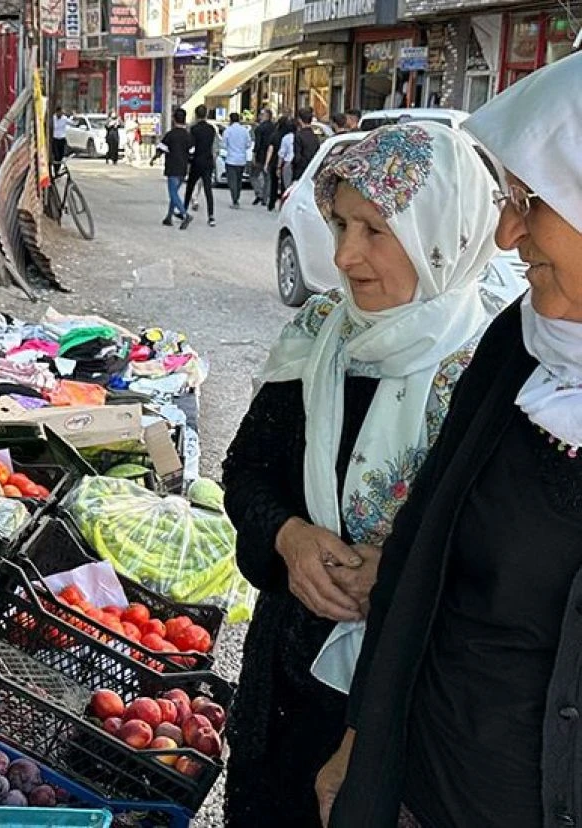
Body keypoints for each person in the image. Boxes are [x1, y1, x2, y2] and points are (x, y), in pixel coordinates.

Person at [316, 51, 582, 828]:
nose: (507, 235)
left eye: (532, 201)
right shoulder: (518, 347)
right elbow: (419, 561)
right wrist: (361, 743)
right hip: (426, 793)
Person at [223, 121, 502, 828]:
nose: (345, 256)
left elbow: (508, 565)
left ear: (444, 231)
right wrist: (287, 537)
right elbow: (246, 470)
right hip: (281, 688)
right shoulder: (320, 333)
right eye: (341, 223)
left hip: (406, 716)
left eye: (376, 231)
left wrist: (404, 569)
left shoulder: (494, 373)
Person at [156, 107, 193, 229]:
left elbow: (160, 149)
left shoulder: (170, 135)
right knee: (175, 194)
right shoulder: (188, 136)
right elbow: (192, 152)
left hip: (172, 168)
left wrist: (153, 159)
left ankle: (185, 214)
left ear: (173, 119)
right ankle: (168, 217)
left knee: (172, 194)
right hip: (183, 168)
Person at [185, 104, 217, 227]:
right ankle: (211, 216)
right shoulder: (211, 129)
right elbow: (213, 146)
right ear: (206, 114)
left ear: (196, 114)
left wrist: (188, 158)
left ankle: (184, 210)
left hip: (196, 161)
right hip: (208, 161)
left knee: (190, 187)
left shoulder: (194, 129)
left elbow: (191, 146)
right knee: (208, 189)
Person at [266, 115, 294, 211]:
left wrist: (267, 163)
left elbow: (271, 149)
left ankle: (271, 203)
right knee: (286, 184)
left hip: (276, 161)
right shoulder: (292, 136)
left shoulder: (275, 135)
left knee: (274, 183)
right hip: (287, 162)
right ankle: (284, 204)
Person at [223, 112, 251, 209]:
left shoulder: (228, 131)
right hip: (241, 159)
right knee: (239, 180)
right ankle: (237, 197)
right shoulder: (245, 131)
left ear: (230, 120)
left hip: (231, 159)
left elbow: (224, 144)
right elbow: (248, 144)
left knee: (232, 181)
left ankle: (234, 199)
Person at [252, 108, 276, 206]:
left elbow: (257, 143)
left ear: (266, 116)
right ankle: (265, 198)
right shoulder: (275, 127)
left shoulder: (259, 128)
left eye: (261, 114)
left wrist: (254, 154)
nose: (260, 116)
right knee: (267, 178)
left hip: (261, 155)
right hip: (271, 155)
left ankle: (259, 193)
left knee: (254, 176)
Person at [293, 106, 322, 182]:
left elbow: (297, 156)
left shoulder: (299, 135)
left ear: (299, 120)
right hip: (313, 169)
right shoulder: (315, 136)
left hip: (301, 171)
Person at [52, 107, 70, 172]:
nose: (60, 114)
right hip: (55, 139)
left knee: (61, 156)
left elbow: (72, 122)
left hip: (62, 139)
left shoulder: (64, 118)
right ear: (57, 112)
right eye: (59, 112)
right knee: (56, 156)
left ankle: (58, 169)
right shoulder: (53, 118)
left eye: (61, 113)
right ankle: (55, 170)